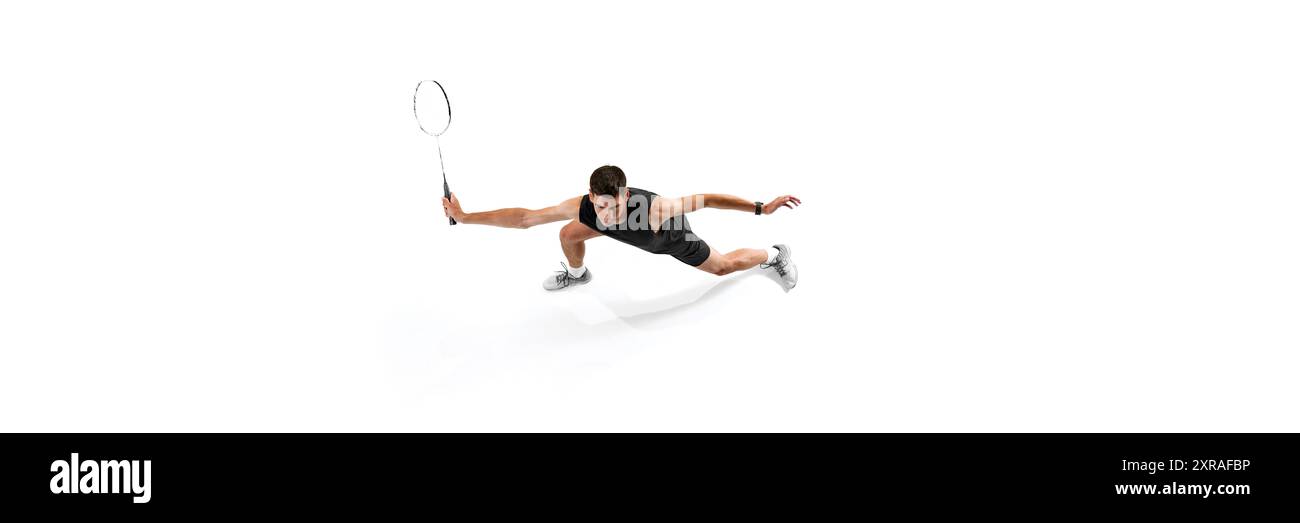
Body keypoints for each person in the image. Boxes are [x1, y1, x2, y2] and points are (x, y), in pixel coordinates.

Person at [441, 165, 800, 291]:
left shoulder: (658, 210)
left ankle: (773, 254)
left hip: (665, 240)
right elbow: (525, 218)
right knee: (568, 232)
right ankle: (578, 274)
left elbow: (707, 199)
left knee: (722, 267)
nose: (606, 214)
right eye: (600, 206)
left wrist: (760, 208)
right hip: (630, 233)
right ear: (591, 195)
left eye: (612, 207)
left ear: (625, 195)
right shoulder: (586, 206)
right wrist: (466, 216)